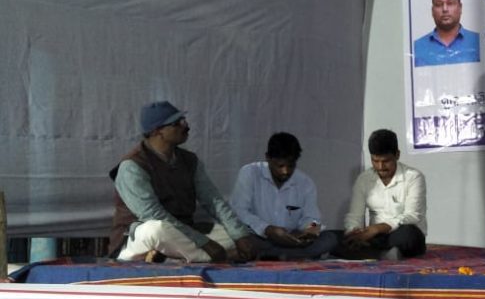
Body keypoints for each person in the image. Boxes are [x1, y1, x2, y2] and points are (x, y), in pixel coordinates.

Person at [109, 101, 259, 263]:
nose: (186, 126)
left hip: (184, 234)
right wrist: (203, 242)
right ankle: (214, 257)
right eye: (177, 123)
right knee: (156, 229)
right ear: (157, 131)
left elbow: (213, 200)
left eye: (183, 121)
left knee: (237, 235)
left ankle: (173, 257)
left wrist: (240, 235)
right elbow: (152, 215)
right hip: (137, 238)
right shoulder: (132, 166)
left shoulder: (190, 161)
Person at [230, 132, 337, 260]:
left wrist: (310, 231)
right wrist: (267, 229)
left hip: (291, 239)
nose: (285, 171)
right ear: (268, 158)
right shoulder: (250, 173)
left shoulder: (305, 183)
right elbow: (239, 211)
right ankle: (288, 256)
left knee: (330, 238)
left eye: (290, 165)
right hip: (260, 237)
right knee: (242, 239)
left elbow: (314, 219)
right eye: (280, 166)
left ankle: (274, 255)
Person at [338, 129, 427, 259]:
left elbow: (413, 215)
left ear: (397, 155)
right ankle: (384, 253)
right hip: (376, 237)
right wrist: (354, 232)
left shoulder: (414, 177)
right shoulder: (364, 179)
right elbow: (355, 215)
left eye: (386, 161)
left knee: (408, 234)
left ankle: (374, 253)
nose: (380, 167)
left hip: (401, 234)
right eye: (375, 161)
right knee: (333, 238)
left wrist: (378, 228)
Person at [413, 0, 481, 67]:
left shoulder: (478, 42)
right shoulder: (416, 47)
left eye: (450, 3)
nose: (445, 9)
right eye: (439, 4)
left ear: (460, 8)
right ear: (432, 11)